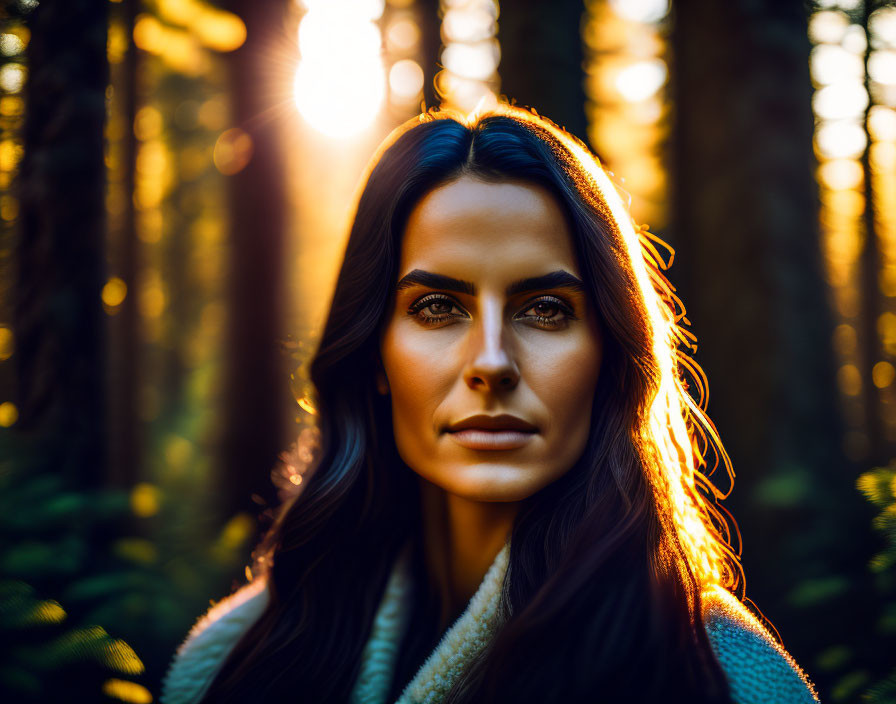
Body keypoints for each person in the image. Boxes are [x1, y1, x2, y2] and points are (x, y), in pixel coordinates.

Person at [160, 104, 820, 703]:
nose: (492, 363)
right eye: (438, 307)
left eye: (546, 310)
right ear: (373, 355)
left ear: (611, 355)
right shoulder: (230, 661)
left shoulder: (726, 679)